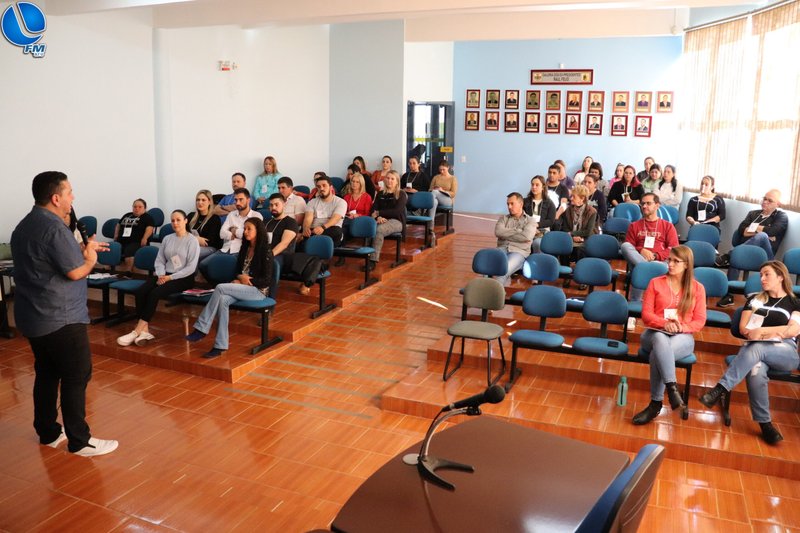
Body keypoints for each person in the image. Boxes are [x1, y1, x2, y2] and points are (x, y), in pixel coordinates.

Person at [11, 171, 118, 456]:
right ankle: (80, 441)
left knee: (46, 373)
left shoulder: (24, 226)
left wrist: (81, 249)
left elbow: (53, 260)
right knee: (76, 374)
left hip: (33, 316)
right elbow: (75, 271)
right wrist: (91, 259)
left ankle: (48, 433)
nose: (73, 198)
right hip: (61, 316)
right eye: (70, 192)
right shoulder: (55, 228)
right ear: (56, 198)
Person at [700, 261, 800, 445]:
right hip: (757, 349)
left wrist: (762, 332)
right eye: (760, 274)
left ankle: (721, 388)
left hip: (785, 351)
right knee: (755, 370)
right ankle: (765, 424)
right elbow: (743, 328)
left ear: (780, 276)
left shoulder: (795, 303)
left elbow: (793, 330)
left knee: (755, 348)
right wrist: (774, 331)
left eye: (766, 274)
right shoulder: (755, 299)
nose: (761, 279)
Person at [632, 245, 706, 425]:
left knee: (658, 353)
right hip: (654, 332)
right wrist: (664, 324)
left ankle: (656, 403)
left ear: (687, 265)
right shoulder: (655, 282)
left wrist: (680, 327)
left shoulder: (697, 288)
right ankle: (672, 389)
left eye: (675, 261)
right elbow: (646, 315)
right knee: (659, 339)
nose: (670, 264)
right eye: (669, 260)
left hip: (682, 337)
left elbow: (700, 320)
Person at [186, 217, 274, 358]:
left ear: (258, 230)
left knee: (220, 288)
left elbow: (266, 280)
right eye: (244, 228)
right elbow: (238, 272)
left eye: (249, 229)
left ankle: (201, 328)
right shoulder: (245, 248)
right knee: (223, 300)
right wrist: (240, 278)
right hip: (243, 287)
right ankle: (220, 345)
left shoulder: (266, 251)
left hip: (258, 291)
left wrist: (246, 281)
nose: (245, 232)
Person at [117, 210, 200, 347]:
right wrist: (162, 275)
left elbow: (190, 268)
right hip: (164, 274)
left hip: (183, 277)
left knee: (155, 293)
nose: (175, 223)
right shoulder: (168, 238)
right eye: (172, 220)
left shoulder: (192, 241)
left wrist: (170, 277)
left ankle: (137, 330)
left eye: (178, 220)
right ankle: (145, 331)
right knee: (141, 291)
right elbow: (160, 260)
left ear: (185, 221)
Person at [717, 189, 788, 307]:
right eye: (764, 198)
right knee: (740, 255)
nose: (765, 202)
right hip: (746, 251)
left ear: (778, 204)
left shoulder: (781, 217)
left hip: (766, 255)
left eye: (770, 200)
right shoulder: (753, 213)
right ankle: (728, 296)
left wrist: (755, 231)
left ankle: (729, 256)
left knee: (761, 237)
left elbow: (773, 230)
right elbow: (741, 231)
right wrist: (765, 232)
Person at [621, 193, 679, 301]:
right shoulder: (634, 225)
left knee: (638, 269)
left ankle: (643, 268)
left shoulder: (668, 226)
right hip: (639, 258)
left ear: (657, 205)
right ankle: (644, 267)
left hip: (659, 263)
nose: (644, 206)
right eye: (643, 204)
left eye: (648, 203)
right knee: (625, 246)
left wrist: (655, 256)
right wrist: (641, 250)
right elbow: (630, 245)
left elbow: (673, 248)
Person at [199, 188, 263, 281]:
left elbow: (250, 236)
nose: (237, 203)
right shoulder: (231, 215)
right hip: (225, 249)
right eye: (236, 200)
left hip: (241, 251)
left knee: (229, 269)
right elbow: (222, 233)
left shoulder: (256, 216)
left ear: (248, 200)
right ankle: (217, 285)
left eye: (241, 199)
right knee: (203, 265)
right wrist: (235, 234)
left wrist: (233, 230)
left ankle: (226, 286)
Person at [266, 193, 321, 296]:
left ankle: (268, 296)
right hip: (268, 253)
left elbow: (284, 243)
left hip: (283, 256)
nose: (273, 207)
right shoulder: (267, 222)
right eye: (271, 205)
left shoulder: (290, 222)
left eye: (276, 204)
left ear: (284, 205)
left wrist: (269, 255)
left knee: (271, 262)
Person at [368, 170, 407, 270]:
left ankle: (372, 260)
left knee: (379, 230)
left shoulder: (401, 194)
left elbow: (397, 212)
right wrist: (378, 217)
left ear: (397, 181)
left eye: (392, 179)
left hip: (397, 221)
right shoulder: (380, 193)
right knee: (370, 227)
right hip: (381, 220)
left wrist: (380, 213)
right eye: (388, 178)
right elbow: (373, 209)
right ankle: (367, 256)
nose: (389, 181)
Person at [495, 192, 537, 285]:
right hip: (501, 249)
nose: (509, 207)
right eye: (508, 204)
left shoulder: (531, 220)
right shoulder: (503, 218)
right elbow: (498, 232)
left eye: (512, 203)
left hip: (519, 253)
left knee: (503, 271)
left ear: (521, 204)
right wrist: (518, 231)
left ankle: (492, 296)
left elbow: (526, 236)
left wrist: (506, 233)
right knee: (488, 268)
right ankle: (499, 294)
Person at [303, 175, 348, 246]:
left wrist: (322, 228)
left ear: (331, 187)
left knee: (337, 231)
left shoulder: (341, 202)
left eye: (324, 185)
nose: (321, 188)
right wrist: (306, 228)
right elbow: (308, 218)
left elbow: (335, 218)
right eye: (319, 186)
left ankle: (312, 242)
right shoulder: (312, 202)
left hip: (330, 230)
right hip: (314, 230)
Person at [115, 198, 155, 272]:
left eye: (140, 207)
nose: (137, 208)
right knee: (111, 248)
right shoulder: (127, 215)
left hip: (137, 242)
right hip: (122, 241)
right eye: (135, 206)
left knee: (129, 250)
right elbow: (118, 225)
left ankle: (128, 272)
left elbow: (150, 228)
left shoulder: (147, 217)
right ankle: (108, 272)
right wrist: (116, 235)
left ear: (145, 208)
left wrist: (144, 238)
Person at [523, 175, 557, 253]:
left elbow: (550, 221)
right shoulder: (525, 201)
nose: (534, 187)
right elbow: (521, 217)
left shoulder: (549, 203)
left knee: (537, 243)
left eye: (537, 185)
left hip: (542, 231)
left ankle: (538, 263)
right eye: (532, 185)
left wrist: (537, 225)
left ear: (543, 187)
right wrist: (531, 228)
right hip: (526, 229)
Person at [187, 190, 222, 260]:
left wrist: (190, 238)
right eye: (198, 200)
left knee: (190, 252)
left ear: (209, 202)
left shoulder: (214, 218)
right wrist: (196, 239)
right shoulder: (191, 216)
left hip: (209, 248)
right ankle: (173, 269)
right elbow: (183, 233)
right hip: (190, 245)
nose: (200, 202)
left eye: (203, 200)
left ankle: (190, 271)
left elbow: (210, 241)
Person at [429, 160, 458, 232]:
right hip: (435, 197)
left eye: (443, 170)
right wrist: (435, 189)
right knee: (434, 201)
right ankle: (430, 226)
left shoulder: (453, 178)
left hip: (448, 199)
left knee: (435, 192)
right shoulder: (436, 177)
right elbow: (429, 189)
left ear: (448, 168)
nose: (441, 171)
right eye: (440, 170)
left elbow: (453, 193)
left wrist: (443, 191)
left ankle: (425, 210)